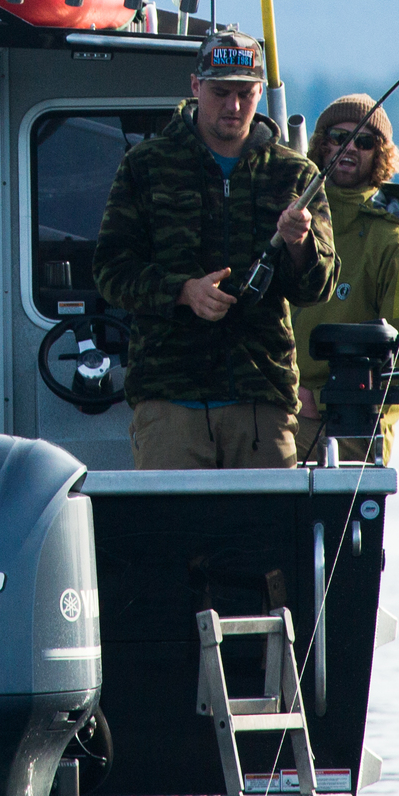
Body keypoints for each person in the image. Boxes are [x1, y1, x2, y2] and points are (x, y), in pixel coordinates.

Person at [91, 29, 334, 469]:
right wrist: (183, 292)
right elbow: (111, 270)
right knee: (175, 536)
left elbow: (317, 288)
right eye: (221, 92)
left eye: (245, 93)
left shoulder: (295, 174)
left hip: (262, 398)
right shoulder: (147, 165)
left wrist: (300, 245)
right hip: (169, 399)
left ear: (261, 91)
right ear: (195, 87)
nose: (233, 106)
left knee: (266, 537)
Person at [289, 94, 399, 465]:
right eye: (338, 137)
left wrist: (319, 401)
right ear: (321, 144)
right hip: (276, 410)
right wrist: (291, 394)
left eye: (364, 141)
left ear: (381, 154)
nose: (349, 148)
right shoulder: (290, 228)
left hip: (351, 431)